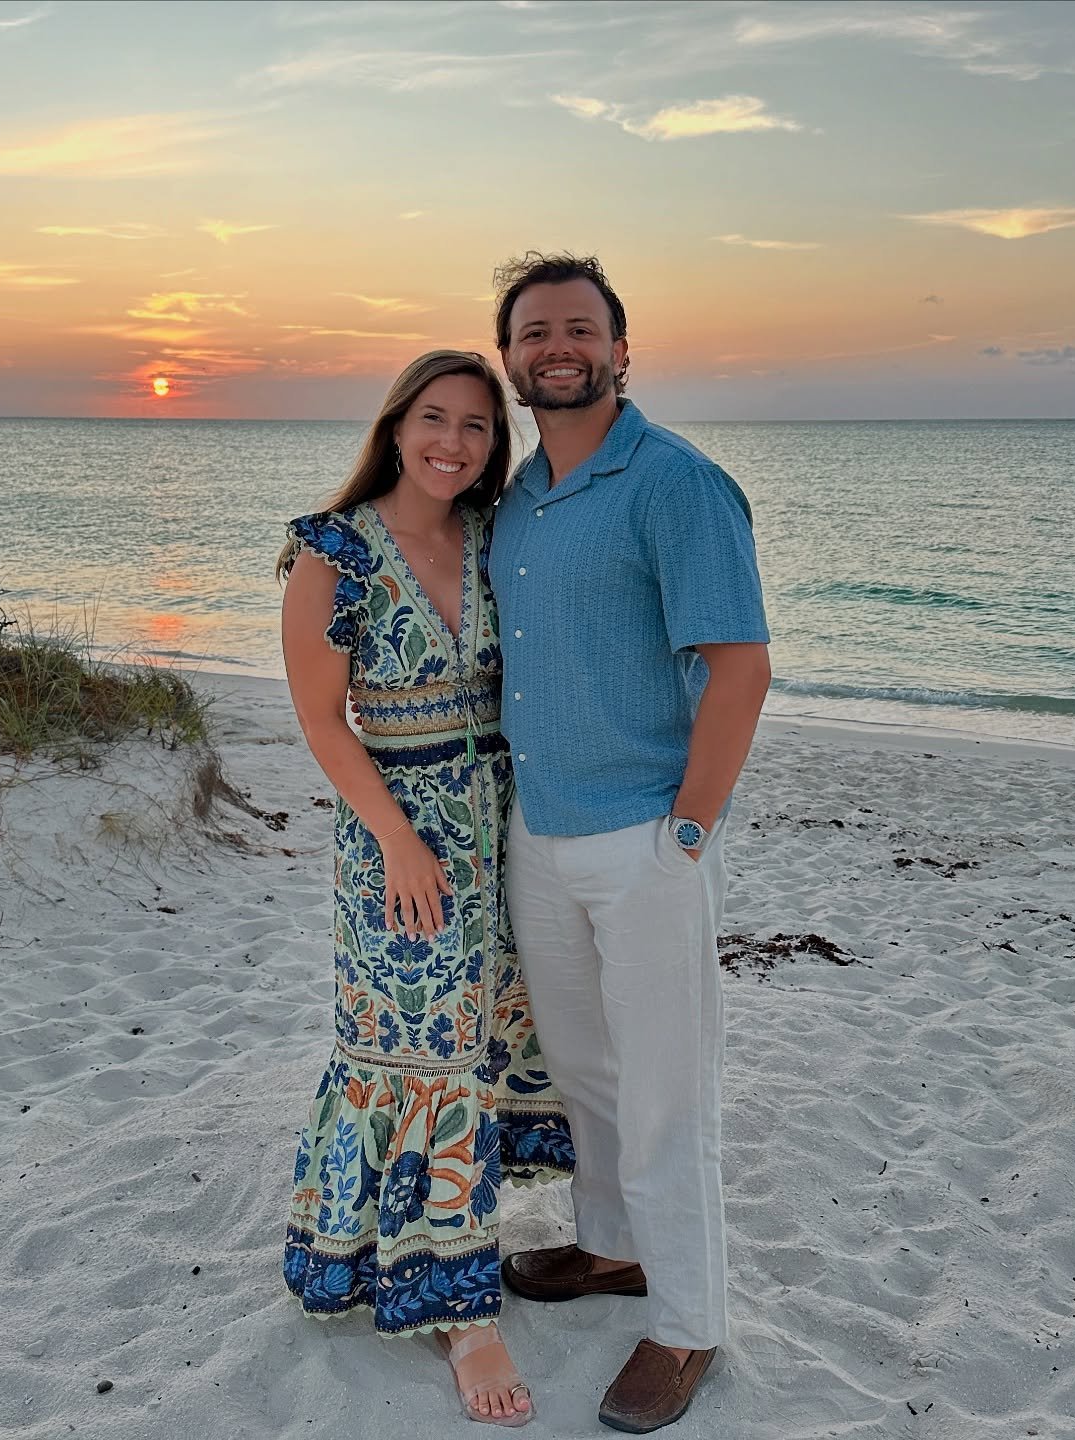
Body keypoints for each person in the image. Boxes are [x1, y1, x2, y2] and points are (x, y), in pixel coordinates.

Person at [487, 254, 772, 1434]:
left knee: (666, 1093)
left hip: (646, 838)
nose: (556, 347)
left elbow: (740, 667)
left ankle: (690, 1323)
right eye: (533, 332)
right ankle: (612, 1251)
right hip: (537, 834)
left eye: (578, 329)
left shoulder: (676, 483)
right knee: (588, 1073)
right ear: (508, 358)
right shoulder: (513, 496)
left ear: (619, 349)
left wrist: (689, 831)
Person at [277, 349, 575, 1427]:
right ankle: (461, 1311)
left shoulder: (500, 538)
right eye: (435, 419)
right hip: (397, 835)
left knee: (481, 1040)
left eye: (479, 427)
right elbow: (322, 719)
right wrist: (402, 842)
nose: (454, 442)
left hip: (508, 822)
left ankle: (418, 1245)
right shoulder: (337, 553)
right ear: (396, 425)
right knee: (418, 1052)